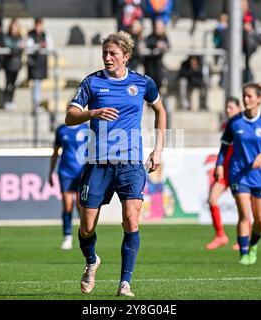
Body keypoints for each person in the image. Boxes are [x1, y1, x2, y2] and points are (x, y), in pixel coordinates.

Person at [65, 31, 166, 297]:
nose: (108, 58)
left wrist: (158, 149)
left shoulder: (142, 83)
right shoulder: (92, 82)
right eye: (105, 53)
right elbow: (70, 116)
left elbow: (161, 111)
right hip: (98, 162)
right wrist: (93, 112)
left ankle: (125, 283)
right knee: (86, 227)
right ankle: (91, 261)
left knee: (131, 220)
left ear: (126, 56)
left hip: (131, 162)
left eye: (113, 53)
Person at [215, 83, 261, 265]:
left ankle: (253, 246)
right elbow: (224, 147)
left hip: (258, 176)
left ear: (259, 99)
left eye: (250, 96)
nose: (246, 99)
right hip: (238, 174)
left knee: (260, 220)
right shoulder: (235, 122)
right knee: (244, 214)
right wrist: (219, 165)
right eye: (244, 96)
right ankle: (243, 254)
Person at [205, 97, 242, 250]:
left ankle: (243, 239)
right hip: (224, 171)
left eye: (231, 107)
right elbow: (223, 149)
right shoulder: (227, 125)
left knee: (242, 206)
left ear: (239, 108)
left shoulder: (244, 124)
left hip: (238, 171)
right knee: (212, 199)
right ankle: (221, 235)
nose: (228, 110)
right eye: (227, 107)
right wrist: (219, 165)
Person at [48, 122, 89, 250]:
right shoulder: (61, 130)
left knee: (80, 204)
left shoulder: (85, 128)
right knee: (67, 205)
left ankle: (85, 235)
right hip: (65, 172)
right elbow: (55, 152)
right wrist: (50, 172)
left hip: (81, 171)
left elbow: (92, 149)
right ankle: (67, 237)